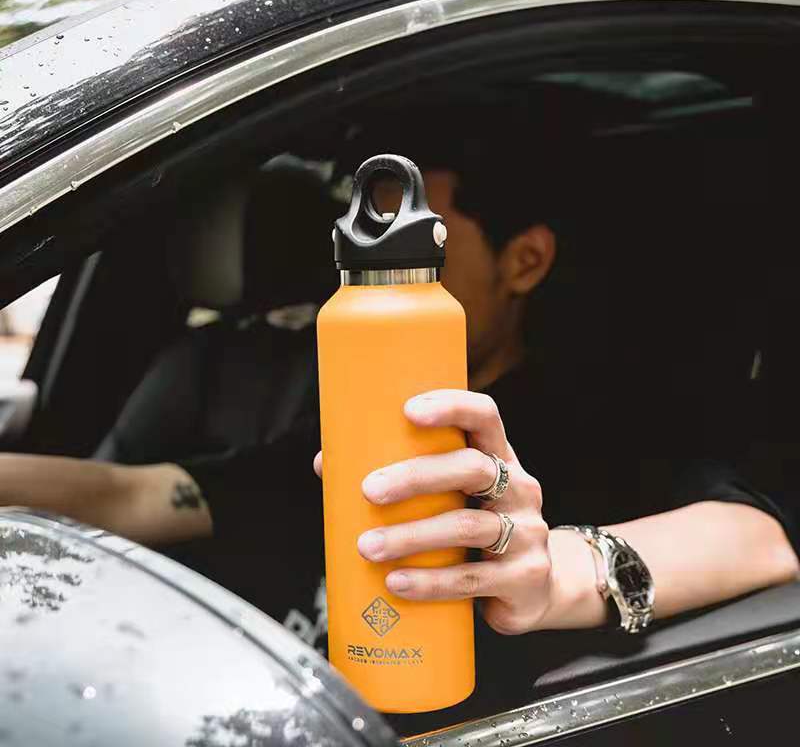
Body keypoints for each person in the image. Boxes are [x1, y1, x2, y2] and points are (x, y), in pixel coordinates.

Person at [0, 108, 798, 730]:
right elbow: (133, 496)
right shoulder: (348, 425)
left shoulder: (593, 417)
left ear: (526, 260)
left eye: (428, 247)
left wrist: (557, 571)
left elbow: (761, 538)